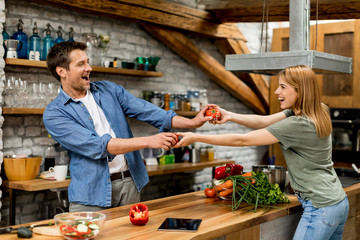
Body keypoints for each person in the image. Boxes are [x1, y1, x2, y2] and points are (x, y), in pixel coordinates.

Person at [175, 65, 349, 240]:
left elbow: (242, 140)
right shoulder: (319, 110)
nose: (276, 91)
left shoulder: (297, 124)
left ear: (300, 90)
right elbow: (264, 121)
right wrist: (230, 115)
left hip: (320, 207)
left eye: (283, 87)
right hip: (337, 201)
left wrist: (196, 137)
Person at [43, 41, 214, 212]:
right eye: (81, 64)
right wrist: (148, 141)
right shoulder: (54, 114)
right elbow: (100, 146)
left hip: (129, 185)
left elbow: (148, 111)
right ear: (62, 71)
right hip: (90, 193)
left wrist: (193, 122)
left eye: (87, 61)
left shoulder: (108, 90)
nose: (89, 68)